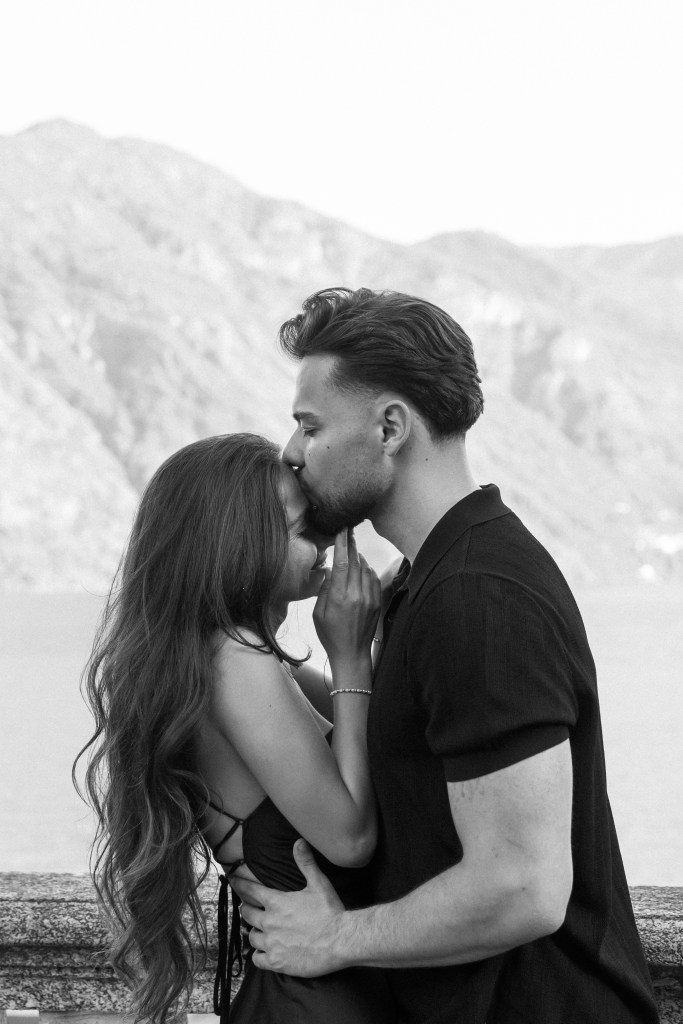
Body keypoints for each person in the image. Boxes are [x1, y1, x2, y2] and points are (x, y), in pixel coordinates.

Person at [230, 288, 660, 1023]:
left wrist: (334, 939)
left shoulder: (477, 600)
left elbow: (521, 887)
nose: (293, 452)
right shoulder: (426, 585)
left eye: (309, 425)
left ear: (390, 426)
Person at [75, 432, 395, 1024]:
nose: (323, 541)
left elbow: (365, 734)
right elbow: (351, 838)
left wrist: (379, 626)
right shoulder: (231, 658)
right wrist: (350, 657)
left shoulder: (245, 662)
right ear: (240, 546)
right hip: (309, 1004)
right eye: (302, 532)